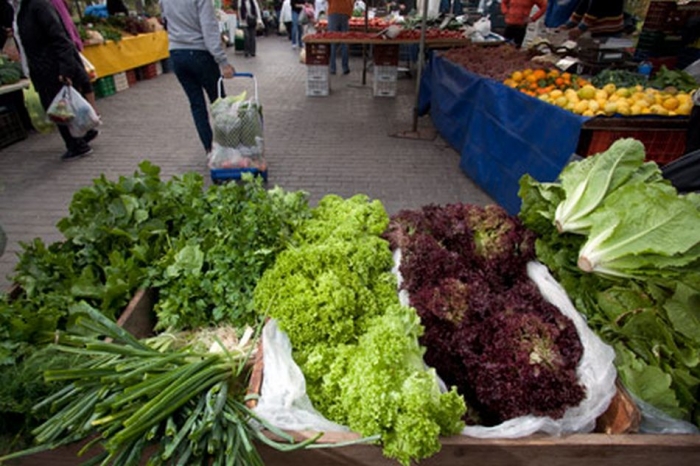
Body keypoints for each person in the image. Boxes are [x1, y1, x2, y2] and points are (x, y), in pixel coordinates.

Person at [14, 0, 96, 160]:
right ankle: (83, 133)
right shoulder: (21, 9)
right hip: (41, 67)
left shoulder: (37, 6)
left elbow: (60, 38)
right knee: (59, 104)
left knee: (59, 106)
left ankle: (77, 144)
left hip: (51, 67)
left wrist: (65, 69)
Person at [159, 0, 235, 156]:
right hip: (200, 53)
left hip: (177, 54)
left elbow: (165, 21)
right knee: (219, 101)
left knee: (196, 104)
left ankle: (209, 150)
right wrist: (223, 62)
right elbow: (209, 30)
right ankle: (228, 147)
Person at [327, 0, 352, 75]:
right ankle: (345, 67)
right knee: (344, 41)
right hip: (345, 12)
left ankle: (333, 68)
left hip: (334, 11)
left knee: (333, 41)